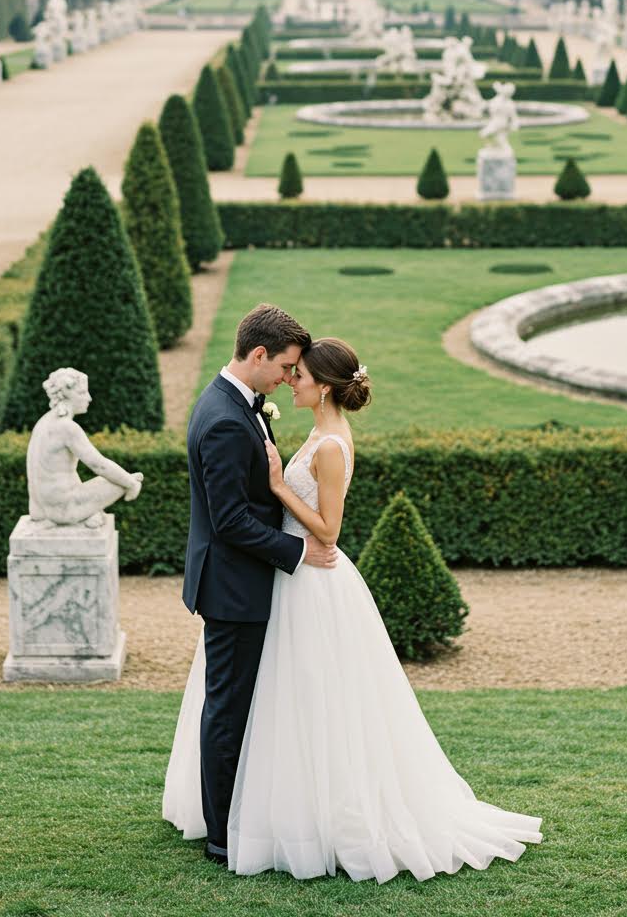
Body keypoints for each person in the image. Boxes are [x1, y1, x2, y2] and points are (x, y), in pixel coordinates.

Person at [164, 335, 543, 883]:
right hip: (285, 577)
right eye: (288, 370)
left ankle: (305, 818)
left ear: (323, 388)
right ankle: (271, 813)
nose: (290, 381)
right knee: (285, 702)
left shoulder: (331, 444)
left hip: (310, 580)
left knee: (317, 703)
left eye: (299, 375)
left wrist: (276, 485)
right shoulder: (312, 430)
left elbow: (329, 531)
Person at [173, 304, 338, 867]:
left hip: (240, 582)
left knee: (236, 704)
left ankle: (238, 815)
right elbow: (231, 520)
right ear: (259, 355)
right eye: (287, 368)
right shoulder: (223, 418)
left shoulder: (239, 405)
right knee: (228, 709)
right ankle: (222, 834)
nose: (290, 379)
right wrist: (299, 550)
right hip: (234, 588)